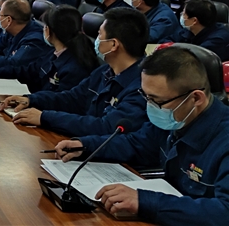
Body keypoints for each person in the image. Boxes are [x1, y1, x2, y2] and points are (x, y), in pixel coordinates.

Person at [54, 47, 229, 224]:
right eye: (145, 97)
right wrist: (86, 146)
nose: (149, 106)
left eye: (156, 100)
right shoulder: (178, 117)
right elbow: (137, 144)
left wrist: (144, 201)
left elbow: (225, 211)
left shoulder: (223, 139)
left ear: (196, 98)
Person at [1, 7, 149, 137]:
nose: (96, 40)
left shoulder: (143, 87)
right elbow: (72, 98)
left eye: (99, 35)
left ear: (114, 44)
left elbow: (105, 127)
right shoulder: (104, 71)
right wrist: (31, 100)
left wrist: (45, 117)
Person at [0, 6, 99, 92]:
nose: (43, 29)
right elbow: (28, 70)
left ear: (51, 30)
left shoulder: (75, 67)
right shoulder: (53, 53)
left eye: (45, 26)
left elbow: (60, 99)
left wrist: (29, 101)